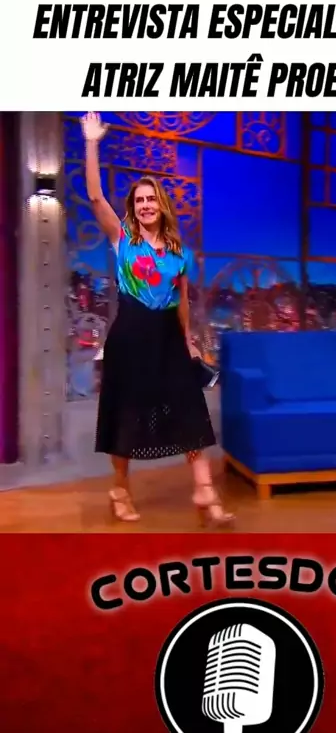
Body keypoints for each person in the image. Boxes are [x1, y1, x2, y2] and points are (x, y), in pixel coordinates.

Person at [80, 112, 234, 528]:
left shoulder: (179, 253)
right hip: (131, 336)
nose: (145, 205)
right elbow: (94, 196)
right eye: (139, 201)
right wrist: (91, 142)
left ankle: (204, 490)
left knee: (189, 408)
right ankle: (120, 488)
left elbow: (182, 302)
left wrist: (188, 339)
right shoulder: (122, 239)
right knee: (127, 414)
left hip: (168, 338)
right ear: (133, 208)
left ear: (162, 205)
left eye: (151, 199)